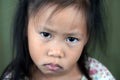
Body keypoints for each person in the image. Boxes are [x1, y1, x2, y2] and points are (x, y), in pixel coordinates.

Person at [1, 0, 115, 80]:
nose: (56, 52)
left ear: (86, 37)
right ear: (25, 27)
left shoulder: (99, 75)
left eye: (71, 39)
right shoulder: (13, 77)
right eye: (46, 34)